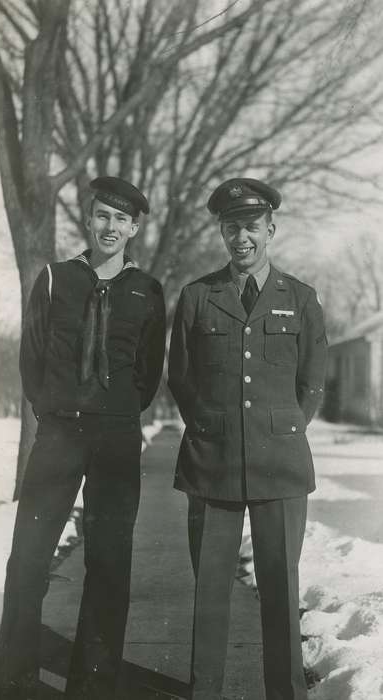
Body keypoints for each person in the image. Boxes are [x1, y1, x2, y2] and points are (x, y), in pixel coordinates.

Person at [0, 176, 166, 700]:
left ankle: (93, 682)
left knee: (110, 560)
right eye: (102, 216)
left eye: (122, 220)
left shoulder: (148, 291)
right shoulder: (53, 279)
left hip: (115, 438)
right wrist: (55, 411)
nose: (111, 227)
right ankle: (15, 680)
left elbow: (149, 372)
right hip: (60, 433)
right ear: (89, 220)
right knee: (28, 555)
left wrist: (117, 412)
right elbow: (32, 357)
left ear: (134, 228)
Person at [168, 177, 327, 700]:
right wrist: (213, 425)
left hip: (280, 463)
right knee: (210, 593)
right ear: (220, 232)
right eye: (232, 227)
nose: (242, 238)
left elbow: (312, 383)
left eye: (252, 227)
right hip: (212, 460)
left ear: (271, 230)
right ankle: (204, 692)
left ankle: (284, 693)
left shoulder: (300, 299)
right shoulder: (197, 297)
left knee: (281, 588)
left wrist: (282, 429)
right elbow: (182, 378)